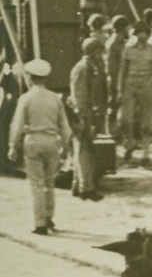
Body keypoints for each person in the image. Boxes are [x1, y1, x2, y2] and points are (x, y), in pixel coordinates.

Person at [9, 59, 72, 234]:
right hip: (52, 141)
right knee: (50, 183)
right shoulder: (55, 99)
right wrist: (65, 147)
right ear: (45, 78)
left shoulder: (26, 98)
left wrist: (13, 145)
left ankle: (40, 223)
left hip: (33, 141)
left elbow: (17, 125)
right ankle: (49, 217)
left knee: (36, 184)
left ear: (30, 77)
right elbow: (64, 126)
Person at [117, 21, 152, 166]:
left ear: (148, 35)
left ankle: (146, 154)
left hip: (146, 85)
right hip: (130, 84)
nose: (142, 36)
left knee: (146, 122)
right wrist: (119, 90)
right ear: (135, 34)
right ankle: (129, 143)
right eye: (139, 33)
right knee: (125, 120)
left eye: (144, 33)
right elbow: (122, 71)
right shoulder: (128, 50)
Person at [69, 37, 108, 200]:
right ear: (93, 52)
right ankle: (86, 188)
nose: (101, 55)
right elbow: (80, 94)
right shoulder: (84, 68)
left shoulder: (86, 66)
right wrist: (83, 116)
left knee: (81, 150)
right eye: (99, 52)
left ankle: (78, 185)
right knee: (84, 151)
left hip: (84, 113)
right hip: (82, 114)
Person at [104, 14, 131, 136]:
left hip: (121, 79)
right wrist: (118, 84)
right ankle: (111, 132)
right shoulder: (113, 44)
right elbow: (112, 68)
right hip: (115, 80)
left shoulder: (121, 43)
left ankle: (117, 131)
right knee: (113, 105)